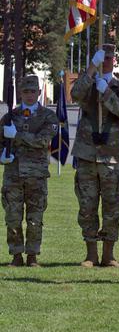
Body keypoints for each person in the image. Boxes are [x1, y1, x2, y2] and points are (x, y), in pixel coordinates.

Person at [71, 44, 119, 268]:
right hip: (88, 154)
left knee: (112, 207)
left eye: (108, 58)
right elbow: (75, 94)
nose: (105, 61)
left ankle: (109, 255)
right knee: (87, 207)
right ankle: (91, 255)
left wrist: (106, 91)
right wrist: (90, 70)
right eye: (101, 58)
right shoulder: (87, 82)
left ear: (115, 61)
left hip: (112, 157)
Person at [0, 74, 58, 267]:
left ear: (39, 93)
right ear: (20, 93)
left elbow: (43, 140)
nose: (30, 95)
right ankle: (16, 256)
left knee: (35, 218)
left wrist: (18, 135)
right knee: (13, 217)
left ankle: (32, 256)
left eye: (33, 91)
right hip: (13, 175)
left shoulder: (48, 116)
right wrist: (2, 155)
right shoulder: (9, 116)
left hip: (36, 175)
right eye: (26, 91)